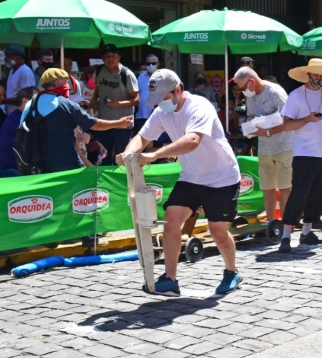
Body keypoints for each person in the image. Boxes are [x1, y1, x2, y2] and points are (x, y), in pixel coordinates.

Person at [116, 69, 243, 296]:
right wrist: (128, 154)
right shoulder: (161, 112)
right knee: (171, 220)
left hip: (222, 178)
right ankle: (170, 279)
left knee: (218, 232)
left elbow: (192, 140)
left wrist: (154, 155)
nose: (158, 104)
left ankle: (232, 271)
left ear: (178, 91)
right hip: (191, 177)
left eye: (162, 98)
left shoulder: (199, 106)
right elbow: (142, 138)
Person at [274, 58, 322, 253]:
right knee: (299, 192)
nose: (318, 78)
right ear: (308, 74)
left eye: (321, 75)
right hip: (303, 152)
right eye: (315, 74)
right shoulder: (296, 95)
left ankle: (307, 231)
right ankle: (286, 234)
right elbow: (286, 125)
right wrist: (307, 119)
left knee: (318, 194)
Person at [21, 68, 132, 173]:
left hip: (37, 165)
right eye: (65, 82)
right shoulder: (67, 105)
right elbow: (94, 124)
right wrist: (119, 123)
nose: (68, 86)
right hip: (66, 164)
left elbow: (22, 129)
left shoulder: (31, 103)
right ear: (57, 84)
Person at [234, 67, 293, 223]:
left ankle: (286, 225)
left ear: (252, 81)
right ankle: (270, 222)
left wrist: (267, 131)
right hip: (265, 147)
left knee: (285, 187)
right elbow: (251, 115)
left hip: (283, 145)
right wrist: (249, 122)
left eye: (243, 88)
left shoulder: (275, 92)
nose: (242, 92)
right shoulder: (250, 96)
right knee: (267, 188)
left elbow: (289, 118)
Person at [89, 44, 139, 165]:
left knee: (121, 158)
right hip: (103, 123)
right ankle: (104, 183)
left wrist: (118, 104)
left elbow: (136, 99)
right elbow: (98, 88)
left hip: (122, 126)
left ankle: (122, 182)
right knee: (102, 158)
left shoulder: (126, 74)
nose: (110, 59)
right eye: (106, 56)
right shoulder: (100, 70)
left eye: (113, 56)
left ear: (119, 57)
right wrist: (94, 99)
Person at [0, 86, 37, 179]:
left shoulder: (18, 116)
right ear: (25, 101)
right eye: (36, 100)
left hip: (9, 168)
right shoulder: (18, 119)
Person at [2, 45, 36, 114]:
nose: (5, 58)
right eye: (6, 56)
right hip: (11, 113)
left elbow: (27, 97)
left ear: (18, 58)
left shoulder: (25, 72)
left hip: (21, 115)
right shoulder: (12, 71)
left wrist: (3, 101)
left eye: (8, 56)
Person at [136, 54, 159, 135]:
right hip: (141, 115)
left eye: (153, 63)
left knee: (156, 141)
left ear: (158, 64)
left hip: (157, 116)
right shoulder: (140, 77)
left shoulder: (163, 77)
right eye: (148, 64)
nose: (151, 65)